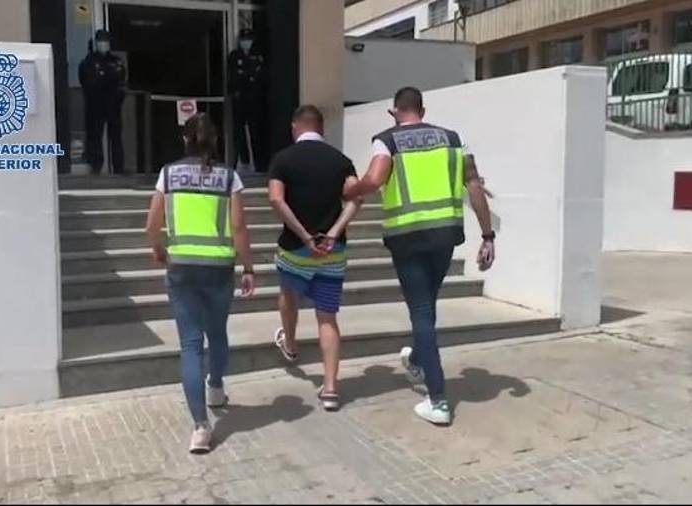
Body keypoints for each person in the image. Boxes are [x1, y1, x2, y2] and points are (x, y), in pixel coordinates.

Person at [344, 87, 496, 426]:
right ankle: (415, 358)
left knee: (422, 312)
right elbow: (473, 186)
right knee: (427, 304)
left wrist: (349, 190)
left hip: (407, 236)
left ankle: (438, 399)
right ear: (422, 111)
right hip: (445, 234)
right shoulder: (454, 139)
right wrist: (487, 235)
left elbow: (374, 179)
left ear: (395, 112)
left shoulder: (387, 140)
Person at [146, 113, 255, 454]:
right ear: (216, 141)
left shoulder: (168, 174)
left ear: (186, 140)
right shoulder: (229, 177)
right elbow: (239, 228)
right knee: (218, 332)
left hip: (181, 267)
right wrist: (248, 266)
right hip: (219, 267)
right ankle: (217, 387)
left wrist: (159, 249)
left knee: (190, 345)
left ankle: (200, 428)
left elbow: (151, 222)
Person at [268, 105, 362, 411]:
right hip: (332, 253)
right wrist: (333, 232)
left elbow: (275, 199)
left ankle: (291, 344)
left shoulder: (283, 159)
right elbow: (355, 198)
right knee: (327, 316)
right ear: (321, 128)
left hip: (295, 248)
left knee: (288, 293)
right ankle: (332, 388)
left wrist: (304, 235)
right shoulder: (341, 161)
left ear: (296, 126)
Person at [78, 29, 126, 175]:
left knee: (116, 137)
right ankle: (96, 166)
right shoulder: (88, 62)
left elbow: (120, 80)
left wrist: (106, 79)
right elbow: (87, 82)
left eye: (105, 41)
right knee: (95, 136)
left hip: (113, 105)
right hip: (95, 106)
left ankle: (118, 167)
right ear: (96, 43)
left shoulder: (115, 61)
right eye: (101, 41)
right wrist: (104, 79)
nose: (103, 44)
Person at [228, 28, 266, 173]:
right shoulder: (234, 56)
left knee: (255, 133)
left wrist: (247, 76)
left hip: (254, 101)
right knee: (238, 133)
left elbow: (258, 77)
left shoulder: (257, 56)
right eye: (244, 40)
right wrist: (247, 76)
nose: (246, 43)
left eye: (248, 40)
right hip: (239, 101)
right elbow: (235, 77)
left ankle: (258, 164)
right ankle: (238, 162)